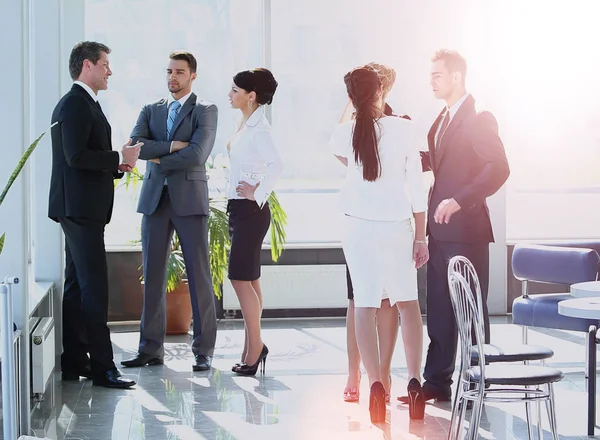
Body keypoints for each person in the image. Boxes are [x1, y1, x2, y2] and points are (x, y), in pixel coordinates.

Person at [398, 49, 510, 404]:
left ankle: (479, 379)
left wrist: (460, 199)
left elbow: (498, 168)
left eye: (437, 75)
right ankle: (436, 382)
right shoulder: (440, 119)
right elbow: (439, 162)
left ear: (457, 77)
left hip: (467, 231)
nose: (431, 81)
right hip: (439, 232)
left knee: (470, 308)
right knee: (441, 309)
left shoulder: (479, 118)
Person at [330, 66, 429, 423]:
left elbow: (341, 150)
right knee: (408, 304)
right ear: (381, 92)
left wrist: (354, 105)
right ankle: (415, 380)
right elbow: (417, 189)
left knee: (365, 306)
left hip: (357, 229)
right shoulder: (404, 129)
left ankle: (375, 384)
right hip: (398, 228)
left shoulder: (344, 135)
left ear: (352, 98)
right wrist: (421, 236)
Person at [48, 41, 138, 389]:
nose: (109, 71)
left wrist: (118, 164)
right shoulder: (75, 104)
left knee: (75, 287)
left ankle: (74, 360)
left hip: (80, 208)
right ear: (88, 65)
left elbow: (85, 159)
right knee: (95, 287)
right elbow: (75, 157)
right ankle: (103, 368)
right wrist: (117, 157)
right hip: (80, 210)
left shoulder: (83, 103)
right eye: (105, 65)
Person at [121, 51, 219, 372]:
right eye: (169, 71)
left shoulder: (205, 110)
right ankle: (150, 348)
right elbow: (136, 147)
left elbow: (197, 154)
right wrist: (174, 146)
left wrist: (160, 155)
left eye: (179, 72)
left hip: (189, 202)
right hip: (154, 202)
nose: (172, 77)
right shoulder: (151, 109)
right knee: (152, 277)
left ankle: (203, 350)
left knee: (199, 276)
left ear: (193, 76)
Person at [341, 63, 409, 405]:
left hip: (371, 225)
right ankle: (359, 373)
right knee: (359, 302)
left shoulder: (400, 124)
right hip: (370, 224)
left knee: (385, 301)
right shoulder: (355, 125)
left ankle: (381, 375)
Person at [226, 68, 283, 376]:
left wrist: (256, 192)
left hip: (250, 210)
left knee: (239, 278)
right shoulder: (246, 123)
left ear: (251, 96)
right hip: (241, 209)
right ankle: (252, 348)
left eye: (235, 90)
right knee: (250, 279)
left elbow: (278, 165)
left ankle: (256, 347)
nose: (230, 94)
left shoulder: (260, 129)